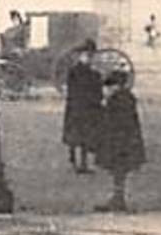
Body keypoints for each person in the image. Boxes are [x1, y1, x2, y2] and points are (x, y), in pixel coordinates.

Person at [93, 70, 145, 212]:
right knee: (119, 173)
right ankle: (118, 198)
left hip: (119, 143)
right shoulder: (127, 98)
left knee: (118, 171)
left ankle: (118, 200)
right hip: (127, 142)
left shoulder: (117, 100)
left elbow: (112, 122)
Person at [62, 40, 104, 173]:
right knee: (81, 135)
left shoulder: (79, 71)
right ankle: (77, 161)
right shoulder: (85, 73)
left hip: (79, 106)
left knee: (81, 135)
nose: (89, 57)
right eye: (87, 55)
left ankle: (79, 162)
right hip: (82, 106)